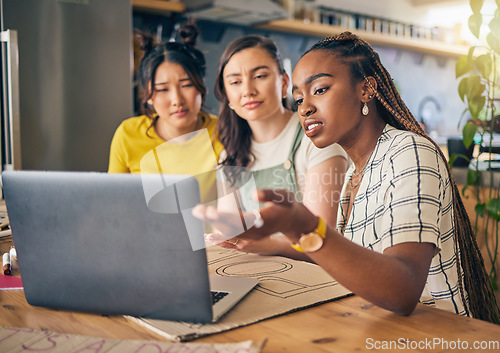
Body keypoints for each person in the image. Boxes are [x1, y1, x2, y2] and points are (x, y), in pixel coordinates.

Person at [194, 32, 500, 322]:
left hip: (438, 336)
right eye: (299, 99)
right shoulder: (356, 174)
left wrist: (304, 228)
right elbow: (348, 267)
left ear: (366, 89)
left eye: (320, 89)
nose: (306, 108)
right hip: (373, 326)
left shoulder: (409, 152)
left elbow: (403, 290)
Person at [209, 35, 348, 260]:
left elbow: (322, 238)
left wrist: (262, 243)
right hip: (258, 276)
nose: (248, 90)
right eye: (235, 82)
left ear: (284, 83)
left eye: (260, 76)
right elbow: (228, 236)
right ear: (227, 96)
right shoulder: (230, 155)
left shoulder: (316, 138)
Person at [108, 24, 223, 203]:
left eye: (186, 85)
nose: (176, 99)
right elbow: (112, 201)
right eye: (162, 89)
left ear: (201, 86)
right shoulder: (128, 134)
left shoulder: (223, 131)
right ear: (148, 96)